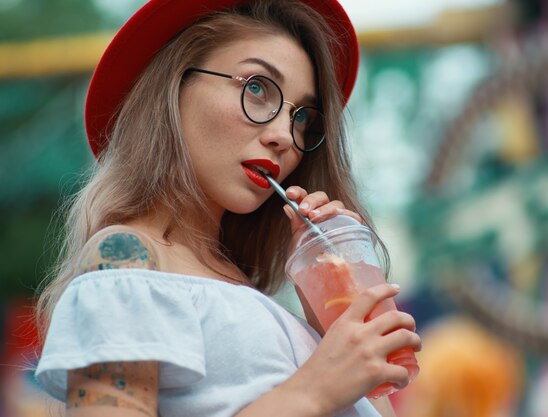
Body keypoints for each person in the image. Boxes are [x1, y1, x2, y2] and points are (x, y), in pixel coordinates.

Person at [34, 1, 422, 416]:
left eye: (302, 118)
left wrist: (326, 322)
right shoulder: (128, 260)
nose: (285, 137)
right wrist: (314, 390)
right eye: (256, 87)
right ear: (172, 87)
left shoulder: (257, 300)